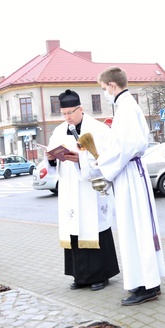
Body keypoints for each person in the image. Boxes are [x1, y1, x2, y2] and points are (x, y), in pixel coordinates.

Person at [94, 67, 165, 306]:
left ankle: (148, 285)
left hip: (129, 174)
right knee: (133, 227)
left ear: (112, 86)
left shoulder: (125, 108)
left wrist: (102, 164)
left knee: (137, 228)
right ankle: (143, 280)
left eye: (104, 89)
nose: (104, 93)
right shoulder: (127, 106)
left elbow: (126, 147)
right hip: (129, 172)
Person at [46, 89, 119, 291]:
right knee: (74, 230)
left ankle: (100, 275)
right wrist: (50, 158)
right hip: (70, 187)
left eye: (70, 113)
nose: (67, 117)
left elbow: (107, 158)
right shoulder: (59, 130)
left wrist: (81, 159)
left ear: (81, 109)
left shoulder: (98, 129)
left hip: (90, 188)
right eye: (64, 113)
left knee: (93, 227)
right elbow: (51, 155)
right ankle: (80, 276)